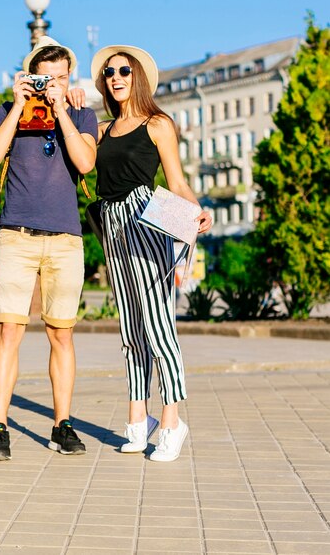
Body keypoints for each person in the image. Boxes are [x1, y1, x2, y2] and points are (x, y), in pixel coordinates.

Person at [90, 45, 212, 461]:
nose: (115, 77)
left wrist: (197, 211)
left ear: (137, 76)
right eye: (109, 73)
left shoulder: (158, 124)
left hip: (146, 218)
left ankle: (173, 423)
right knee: (130, 329)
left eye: (124, 70)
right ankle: (138, 421)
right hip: (112, 225)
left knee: (159, 326)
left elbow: (176, 182)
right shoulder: (103, 130)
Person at [0, 36, 98, 460]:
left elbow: (86, 163)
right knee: (9, 331)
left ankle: (61, 424)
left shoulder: (83, 113)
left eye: (61, 78)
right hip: (17, 235)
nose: (52, 85)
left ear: (70, 79)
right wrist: (16, 104)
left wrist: (63, 109)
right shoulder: (8, 110)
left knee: (61, 335)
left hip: (65, 239)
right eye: (44, 78)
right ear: (30, 77)